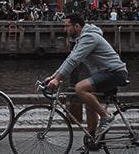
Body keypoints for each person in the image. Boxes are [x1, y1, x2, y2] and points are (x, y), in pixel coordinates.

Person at [45, 13, 128, 141]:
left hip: (115, 72)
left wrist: (58, 79)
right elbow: (69, 59)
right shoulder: (81, 39)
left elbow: (74, 60)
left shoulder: (90, 37)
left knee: (80, 88)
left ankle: (106, 117)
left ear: (77, 26)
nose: (64, 29)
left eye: (67, 26)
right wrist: (54, 76)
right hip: (105, 73)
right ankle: (93, 138)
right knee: (90, 102)